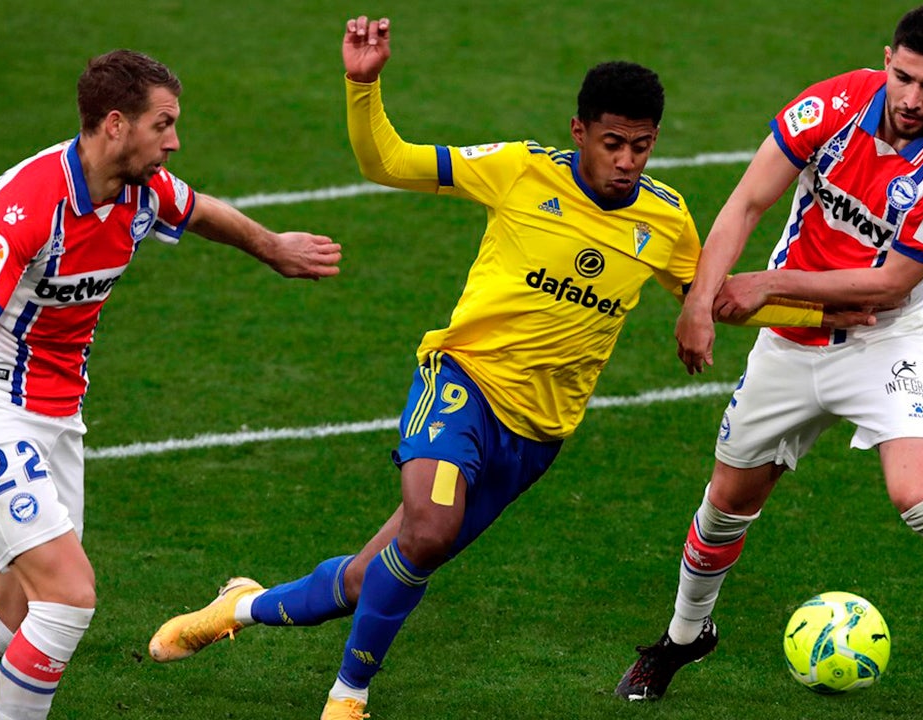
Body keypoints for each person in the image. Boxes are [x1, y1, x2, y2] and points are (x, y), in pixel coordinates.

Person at [145, 16, 874, 720]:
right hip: (460, 381)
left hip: (536, 436)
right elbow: (387, 162)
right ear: (579, 132)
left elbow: (719, 301)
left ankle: (237, 605)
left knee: (374, 575)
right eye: (614, 143)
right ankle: (348, 696)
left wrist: (823, 316)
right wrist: (362, 86)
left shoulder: (665, 219)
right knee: (427, 532)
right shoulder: (518, 171)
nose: (627, 161)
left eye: (642, 147)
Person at [0, 49, 342, 720]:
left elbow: (200, 211)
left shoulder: (142, 188)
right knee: (69, 596)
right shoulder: (29, 206)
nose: (174, 141)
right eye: (162, 124)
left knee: (11, 620)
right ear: (116, 125)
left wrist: (274, 248)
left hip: (57, 415)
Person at [613, 6, 923, 719]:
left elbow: (891, 284)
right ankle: (682, 637)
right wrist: (699, 302)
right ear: (886, 59)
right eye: (904, 77)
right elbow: (745, 202)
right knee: (727, 503)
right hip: (790, 344)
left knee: (920, 495)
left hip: (883, 341)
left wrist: (768, 283)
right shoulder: (831, 103)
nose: (913, 98)